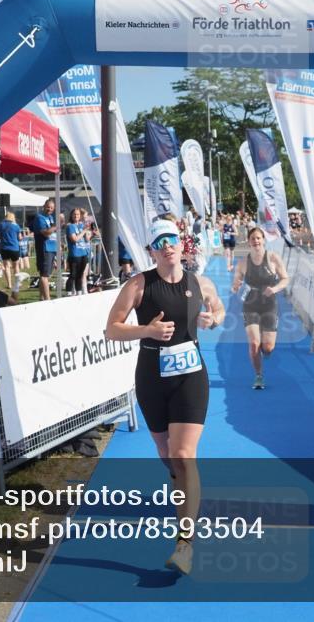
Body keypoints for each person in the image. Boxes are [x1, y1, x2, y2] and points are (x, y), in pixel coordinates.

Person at [104, 218, 225, 575]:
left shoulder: (199, 283)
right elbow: (112, 328)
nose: (167, 245)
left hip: (191, 377)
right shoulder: (139, 285)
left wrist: (214, 320)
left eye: (172, 238)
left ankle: (184, 543)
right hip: (152, 377)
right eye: (159, 241)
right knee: (167, 454)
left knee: (184, 455)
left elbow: (217, 308)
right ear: (151, 250)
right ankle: (184, 491)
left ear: (181, 243)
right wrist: (148, 330)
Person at [231, 227, 289, 390]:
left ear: (263, 240)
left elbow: (285, 279)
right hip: (250, 304)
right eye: (253, 239)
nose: (256, 241)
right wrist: (235, 286)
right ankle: (258, 376)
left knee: (268, 348)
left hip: (270, 304)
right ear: (249, 242)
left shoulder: (273, 258)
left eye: (258, 238)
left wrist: (275, 289)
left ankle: (265, 351)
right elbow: (235, 283)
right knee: (254, 343)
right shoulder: (243, 262)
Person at [32, 199, 60, 301]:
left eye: (52, 208)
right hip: (44, 248)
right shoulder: (40, 218)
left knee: (45, 274)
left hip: (52, 248)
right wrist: (57, 226)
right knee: (44, 275)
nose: (50, 209)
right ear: (44, 206)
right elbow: (46, 232)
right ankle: (47, 299)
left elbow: (53, 233)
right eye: (48, 207)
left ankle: (41, 298)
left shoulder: (51, 218)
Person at [65, 208, 92, 295]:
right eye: (74, 214)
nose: (76, 216)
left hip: (83, 253)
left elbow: (87, 239)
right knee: (73, 275)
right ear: (71, 215)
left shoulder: (81, 225)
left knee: (80, 275)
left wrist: (91, 233)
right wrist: (84, 231)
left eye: (78, 214)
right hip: (75, 254)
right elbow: (74, 239)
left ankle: (79, 292)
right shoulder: (70, 226)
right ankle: (69, 293)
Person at [0, 211, 22, 296]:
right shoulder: (16, 226)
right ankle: (17, 283)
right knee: (16, 266)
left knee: (6, 266)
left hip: (4, 248)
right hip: (14, 248)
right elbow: (19, 238)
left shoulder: (1, 225)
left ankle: (9, 284)